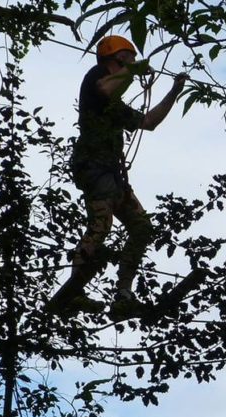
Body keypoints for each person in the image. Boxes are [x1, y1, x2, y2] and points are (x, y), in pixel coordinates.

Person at [47, 35, 188, 318]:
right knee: (102, 223)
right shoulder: (97, 77)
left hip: (112, 173)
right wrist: (134, 70)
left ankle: (124, 293)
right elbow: (106, 87)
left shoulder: (115, 106)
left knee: (141, 227)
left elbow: (148, 123)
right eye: (131, 57)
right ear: (119, 57)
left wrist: (175, 91)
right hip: (94, 167)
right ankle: (75, 288)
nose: (134, 63)